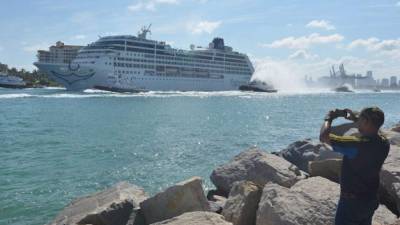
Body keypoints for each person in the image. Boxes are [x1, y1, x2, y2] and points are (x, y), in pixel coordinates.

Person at [319, 107, 390, 225]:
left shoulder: (356, 145)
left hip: (351, 204)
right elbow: (374, 128)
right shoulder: (384, 142)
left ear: (366, 122)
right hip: (369, 200)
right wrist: (356, 118)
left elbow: (324, 137)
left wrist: (329, 118)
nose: (358, 122)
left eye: (361, 119)